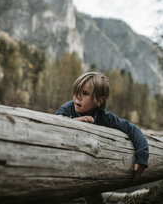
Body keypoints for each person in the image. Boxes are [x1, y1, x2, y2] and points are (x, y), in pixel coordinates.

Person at [56, 72, 149, 204]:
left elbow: (132, 129)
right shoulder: (66, 110)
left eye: (85, 93)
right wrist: (75, 122)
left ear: (100, 100)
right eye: (76, 91)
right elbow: (56, 123)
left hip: (89, 169)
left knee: (92, 190)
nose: (77, 97)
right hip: (62, 166)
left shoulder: (105, 117)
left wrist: (142, 158)